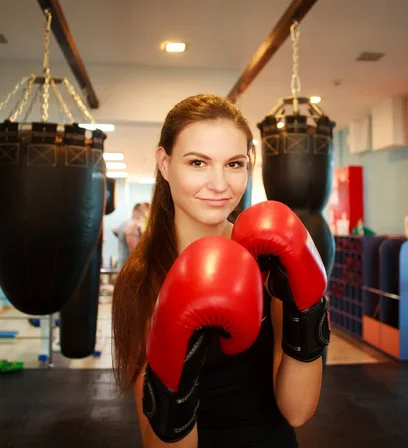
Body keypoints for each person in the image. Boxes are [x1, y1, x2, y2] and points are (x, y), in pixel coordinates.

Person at [111, 94, 330, 448]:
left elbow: (298, 411)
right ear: (164, 164)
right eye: (198, 162)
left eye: (234, 164)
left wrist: (305, 311)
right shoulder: (145, 279)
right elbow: (157, 441)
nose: (219, 184)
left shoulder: (269, 258)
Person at [114, 203, 146, 269]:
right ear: (136, 210)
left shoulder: (126, 224)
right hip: (130, 269)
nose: (145, 214)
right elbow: (135, 251)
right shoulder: (132, 225)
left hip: (125, 267)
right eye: (144, 211)